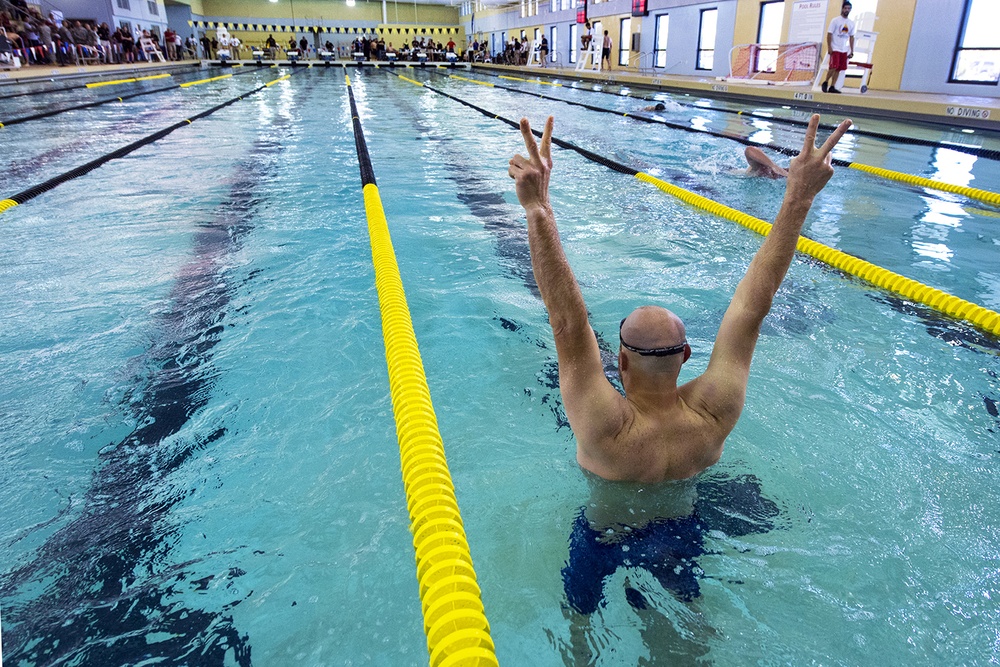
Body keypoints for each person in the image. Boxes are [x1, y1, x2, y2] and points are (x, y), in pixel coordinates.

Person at [507, 113, 851, 482]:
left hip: (608, 535)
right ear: (686, 355)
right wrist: (800, 197)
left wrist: (538, 208)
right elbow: (752, 306)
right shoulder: (714, 414)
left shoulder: (605, 429)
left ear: (620, 360)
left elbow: (567, 323)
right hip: (692, 526)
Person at [822, 1, 855, 94]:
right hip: (835, 47)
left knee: (839, 68)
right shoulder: (835, 20)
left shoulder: (851, 23)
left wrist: (852, 50)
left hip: (844, 49)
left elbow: (851, 37)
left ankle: (832, 86)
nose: (847, 10)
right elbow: (829, 34)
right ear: (842, 9)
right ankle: (826, 81)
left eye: (849, 8)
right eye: (845, 8)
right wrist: (829, 47)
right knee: (833, 67)